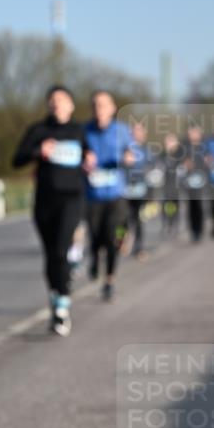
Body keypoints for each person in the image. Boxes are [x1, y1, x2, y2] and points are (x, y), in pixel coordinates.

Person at [12, 86, 85, 335]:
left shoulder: (79, 131)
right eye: (52, 100)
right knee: (51, 253)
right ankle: (55, 300)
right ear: (48, 105)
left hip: (72, 198)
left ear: (71, 105)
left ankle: (63, 304)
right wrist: (37, 152)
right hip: (44, 200)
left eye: (62, 100)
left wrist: (92, 159)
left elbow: (91, 155)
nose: (57, 104)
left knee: (61, 249)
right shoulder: (38, 130)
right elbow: (17, 160)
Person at [83, 91, 133, 301]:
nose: (99, 109)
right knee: (96, 238)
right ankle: (94, 258)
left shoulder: (122, 131)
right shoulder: (84, 131)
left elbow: (132, 153)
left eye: (103, 105)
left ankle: (109, 280)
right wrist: (83, 162)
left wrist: (128, 157)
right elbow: (76, 156)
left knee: (113, 238)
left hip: (115, 194)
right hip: (92, 196)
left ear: (112, 108)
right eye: (95, 105)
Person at [122, 121, 149, 259]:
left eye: (140, 131)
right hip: (125, 189)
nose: (137, 133)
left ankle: (139, 247)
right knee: (122, 219)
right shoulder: (124, 148)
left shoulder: (146, 150)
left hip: (140, 190)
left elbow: (151, 168)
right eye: (134, 131)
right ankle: (120, 242)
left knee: (137, 219)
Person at [182, 124, 208, 243]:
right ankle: (193, 231)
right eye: (190, 132)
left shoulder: (205, 146)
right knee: (190, 207)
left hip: (201, 180)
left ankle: (200, 230)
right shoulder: (184, 147)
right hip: (189, 182)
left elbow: (208, 161)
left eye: (195, 132)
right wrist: (185, 164)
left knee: (200, 205)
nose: (192, 135)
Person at [160, 132, 184, 240]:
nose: (169, 144)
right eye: (167, 142)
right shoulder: (162, 156)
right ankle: (168, 224)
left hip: (177, 186)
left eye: (172, 141)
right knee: (167, 207)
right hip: (166, 186)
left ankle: (175, 225)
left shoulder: (180, 155)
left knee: (175, 207)